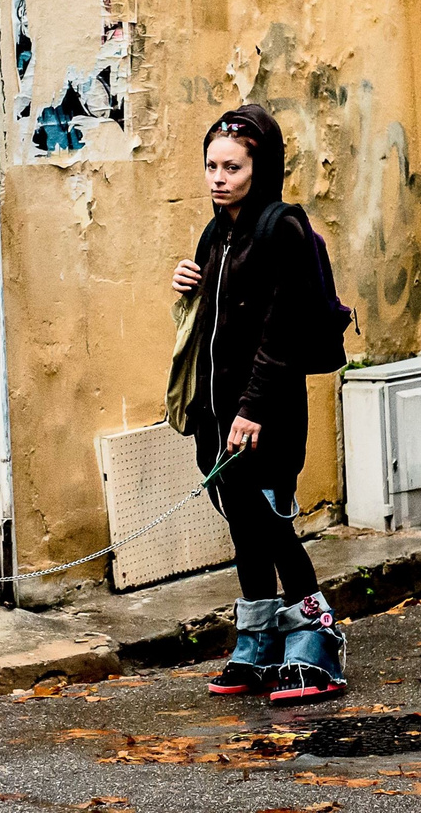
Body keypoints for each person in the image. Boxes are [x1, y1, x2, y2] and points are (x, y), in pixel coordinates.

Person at [171, 104, 346, 703]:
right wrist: (188, 285)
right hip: (215, 412)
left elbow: (282, 333)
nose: (219, 178)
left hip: (263, 413)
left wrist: (252, 408)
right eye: (212, 166)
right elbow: (216, 328)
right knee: (244, 525)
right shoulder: (216, 233)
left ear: (260, 167)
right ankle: (261, 640)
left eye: (233, 168)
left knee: (271, 524)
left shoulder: (281, 229)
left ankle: (318, 640)